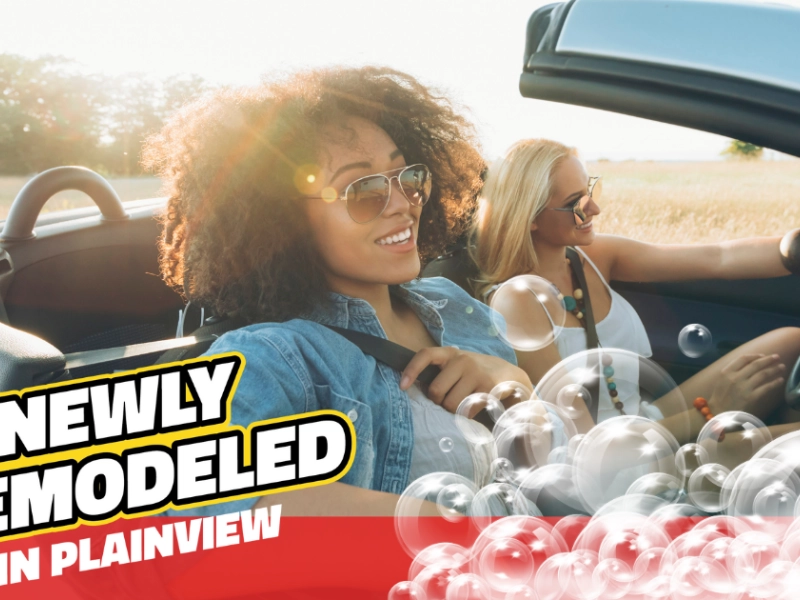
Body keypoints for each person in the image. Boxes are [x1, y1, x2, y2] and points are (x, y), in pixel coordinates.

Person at [141, 66, 532, 516]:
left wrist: (519, 389)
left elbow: (542, 476)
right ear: (285, 222)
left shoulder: (455, 304)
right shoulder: (273, 357)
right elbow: (204, 503)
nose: (403, 204)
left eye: (408, 177)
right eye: (362, 190)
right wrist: (446, 526)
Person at [470, 138, 800, 450]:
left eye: (590, 191)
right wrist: (711, 411)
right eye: (575, 204)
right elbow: (584, 447)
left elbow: (719, 257)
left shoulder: (591, 257)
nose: (594, 209)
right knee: (764, 444)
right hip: (613, 456)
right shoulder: (518, 302)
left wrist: (792, 249)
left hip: (645, 417)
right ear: (529, 218)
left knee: (790, 342)